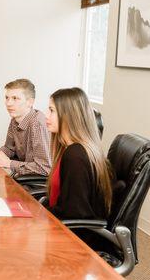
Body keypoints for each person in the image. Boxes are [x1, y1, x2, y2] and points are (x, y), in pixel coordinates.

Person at [45, 87, 112, 221]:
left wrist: (39, 214)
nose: (46, 115)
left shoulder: (75, 156)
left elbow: (75, 214)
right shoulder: (69, 148)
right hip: (61, 224)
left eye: (51, 110)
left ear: (68, 115)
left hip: (74, 235)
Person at [0, 79, 51, 178]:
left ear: (30, 102)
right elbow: (10, 148)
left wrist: (8, 163)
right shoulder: (15, 118)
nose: (8, 103)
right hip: (22, 176)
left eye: (15, 98)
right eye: (7, 98)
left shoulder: (37, 123)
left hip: (37, 182)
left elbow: (44, 167)